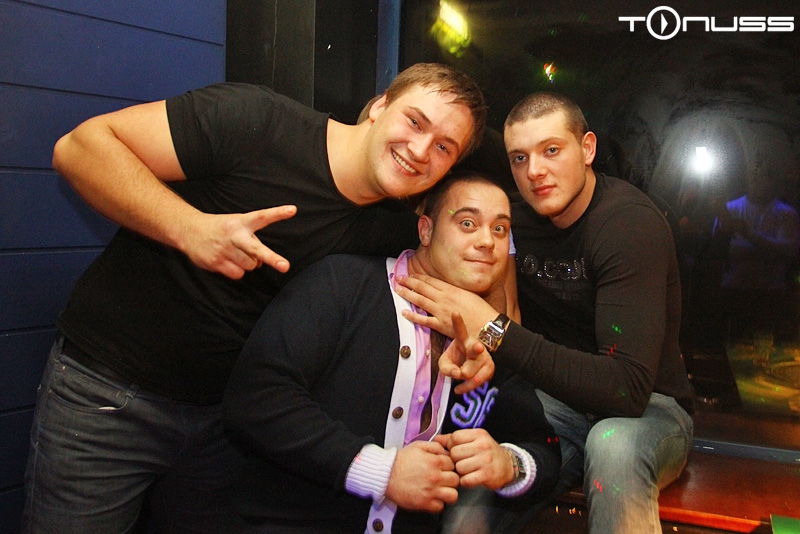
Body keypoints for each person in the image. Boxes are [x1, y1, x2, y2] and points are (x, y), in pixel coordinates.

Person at [22, 63, 486, 533]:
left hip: (226, 430)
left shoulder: (390, 227)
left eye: (443, 147)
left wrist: (480, 342)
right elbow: (78, 148)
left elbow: (464, 272)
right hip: (110, 394)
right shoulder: (257, 121)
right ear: (380, 105)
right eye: (414, 121)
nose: (420, 150)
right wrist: (189, 228)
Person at [395, 92, 695, 533]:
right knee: (475, 474)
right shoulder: (511, 223)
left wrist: (493, 329)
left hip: (649, 409)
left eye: (551, 150)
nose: (534, 171)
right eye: (519, 158)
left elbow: (626, 389)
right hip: (558, 405)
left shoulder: (628, 225)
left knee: (612, 446)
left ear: (587, 149)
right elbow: (439, 236)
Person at [223, 173, 560, 533]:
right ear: (426, 230)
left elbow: (545, 447)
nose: (487, 241)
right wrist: (380, 471)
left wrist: (509, 465)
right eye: (467, 223)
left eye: (500, 229)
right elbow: (255, 394)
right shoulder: (343, 283)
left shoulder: (491, 339)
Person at [711, 160, 800, 344]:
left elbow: (787, 251)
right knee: (734, 344)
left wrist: (748, 234)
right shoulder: (731, 209)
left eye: (764, 176)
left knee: (767, 345)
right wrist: (765, 252)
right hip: (735, 290)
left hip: (770, 293)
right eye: (755, 176)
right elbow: (722, 250)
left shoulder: (786, 214)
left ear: (774, 180)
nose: (758, 181)